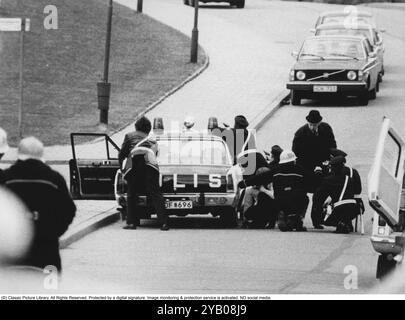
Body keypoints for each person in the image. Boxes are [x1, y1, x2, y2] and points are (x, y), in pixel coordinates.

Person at [2, 137, 76, 272]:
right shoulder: (55, 179)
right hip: (47, 252)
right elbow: (69, 210)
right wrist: (54, 232)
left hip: (13, 254)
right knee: (48, 291)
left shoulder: (6, 178)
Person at [119, 116, 169, 231]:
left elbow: (122, 154)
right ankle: (163, 223)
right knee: (156, 193)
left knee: (131, 193)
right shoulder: (152, 140)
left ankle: (132, 222)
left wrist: (122, 169)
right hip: (150, 166)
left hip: (134, 165)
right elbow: (155, 155)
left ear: (136, 127)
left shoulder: (129, 136)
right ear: (148, 129)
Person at [239, 150, 309, 232]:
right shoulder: (300, 170)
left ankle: (282, 215)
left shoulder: (276, 171)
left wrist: (244, 183)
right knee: (305, 198)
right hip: (297, 200)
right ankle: (297, 219)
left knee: (266, 198)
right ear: (293, 160)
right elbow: (312, 180)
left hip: (280, 201)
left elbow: (260, 177)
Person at [311, 156, 359, 234]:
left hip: (338, 210)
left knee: (325, 212)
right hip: (353, 209)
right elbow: (358, 190)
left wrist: (318, 209)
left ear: (332, 167)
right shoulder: (349, 179)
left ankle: (339, 223)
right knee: (344, 208)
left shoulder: (328, 180)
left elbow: (318, 196)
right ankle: (344, 222)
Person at [292, 110, 337, 192]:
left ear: (319, 123)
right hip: (308, 165)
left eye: (315, 125)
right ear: (307, 122)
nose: (312, 127)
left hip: (324, 162)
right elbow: (297, 154)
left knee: (325, 187)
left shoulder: (326, 128)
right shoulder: (300, 134)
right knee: (311, 187)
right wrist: (314, 166)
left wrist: (328, 160)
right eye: (310, 125)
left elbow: (332, 145)